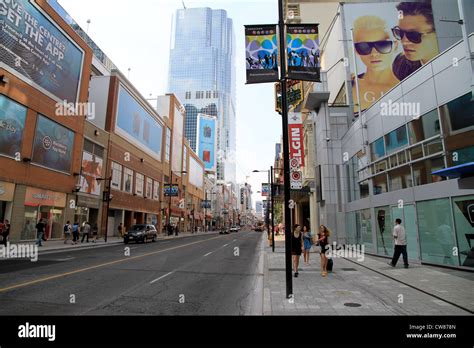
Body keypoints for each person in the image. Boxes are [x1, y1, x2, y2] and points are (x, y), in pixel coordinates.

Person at [351, 15, 400, 113]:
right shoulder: (350, 86)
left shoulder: (405, 88)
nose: (374, 54)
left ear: (395, 46)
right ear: (356, 50)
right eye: (364, 47)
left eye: (382, 45)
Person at [392, 2, 438, 81]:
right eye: (400, 33)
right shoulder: (401, 65)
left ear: (438, 32)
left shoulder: (457, 60)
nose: (404, 42)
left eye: (413, 35)